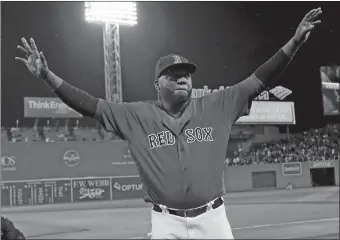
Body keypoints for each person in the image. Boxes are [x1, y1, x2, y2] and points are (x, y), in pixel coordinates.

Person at [15, 7, 322, 239]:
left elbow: (259, 79)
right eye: (173, 74)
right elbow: (88, 104)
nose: (182, 77)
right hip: (165, 223)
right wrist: (47, 76)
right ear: (157, 84)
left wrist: (293, 44)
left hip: (213, 220)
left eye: (186, 73)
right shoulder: (136, 116)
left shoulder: (218, 104)